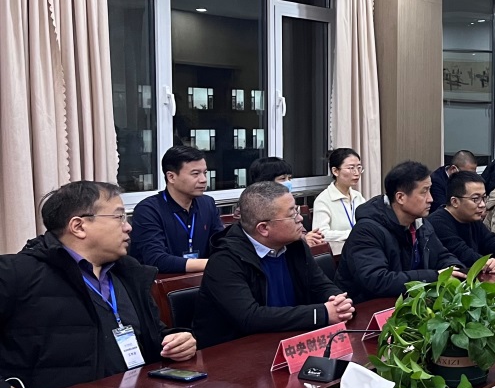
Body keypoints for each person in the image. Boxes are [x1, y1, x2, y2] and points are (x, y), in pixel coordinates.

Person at [0, 182, 197, 388]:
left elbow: (153, 335)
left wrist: (175, 342)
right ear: (79, 226)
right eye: (119, 217)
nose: (128, 227)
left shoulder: (129, 274)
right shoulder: (18, 273)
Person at [194, 182, 353, 348]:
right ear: (263, 228)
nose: (300, 219)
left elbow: (320, 285)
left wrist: (339, 303)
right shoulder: (225, 260)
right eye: (292, 214)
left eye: (297, 210)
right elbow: (250, 317)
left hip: (289, 341)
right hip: (237, 352)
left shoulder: (295, 246)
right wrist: (321, 314)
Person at [337, 161, 464, 303]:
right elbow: (377, 281)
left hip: (409, 303)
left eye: (430, 190)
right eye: (424, 192)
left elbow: (441, 256)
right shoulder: (367, 231)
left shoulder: (420, 224)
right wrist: (434, 276)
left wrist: (456, 270)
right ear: (400, 197)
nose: (431, 199)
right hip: (365, 309)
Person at [129, 145, 224, 273]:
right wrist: (215, 263)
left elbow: (221, 244)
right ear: (171, 177)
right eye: (195, 174)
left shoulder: (207, 204)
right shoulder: (148, 210)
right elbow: (155, 259)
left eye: (205, 173)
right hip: (164, 282)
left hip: (204, 279)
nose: (203, 180)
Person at [429, 171, 495, 273]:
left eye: (484, 198)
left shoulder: (472, 218)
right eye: (475, 199)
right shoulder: (437, 223)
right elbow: (465, 256)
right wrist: (489, 264)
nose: (482, 204)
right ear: (455, 201)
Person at [245, 156, 325, 248]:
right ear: (266, 182)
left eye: (289, 178)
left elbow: (300, 231)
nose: (288, 182)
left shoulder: (288, 203)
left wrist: (309, 237)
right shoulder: (251, 208)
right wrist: (304, 240)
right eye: (283, 178)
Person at [311, 148, 367, 255]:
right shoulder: (323, 200)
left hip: (361, 250)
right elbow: (321, 234)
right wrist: (354, 233)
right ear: (335, 171)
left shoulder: (358, 196)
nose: (356, 173)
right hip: (338, 256)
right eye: (351, 168)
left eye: (359, 168)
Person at [430, 150, 478, 214]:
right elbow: (442, 210)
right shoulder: (436, 182)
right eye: (466, 174)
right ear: (453, 169)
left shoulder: (465, 181)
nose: (469, 178)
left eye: (473, 174)